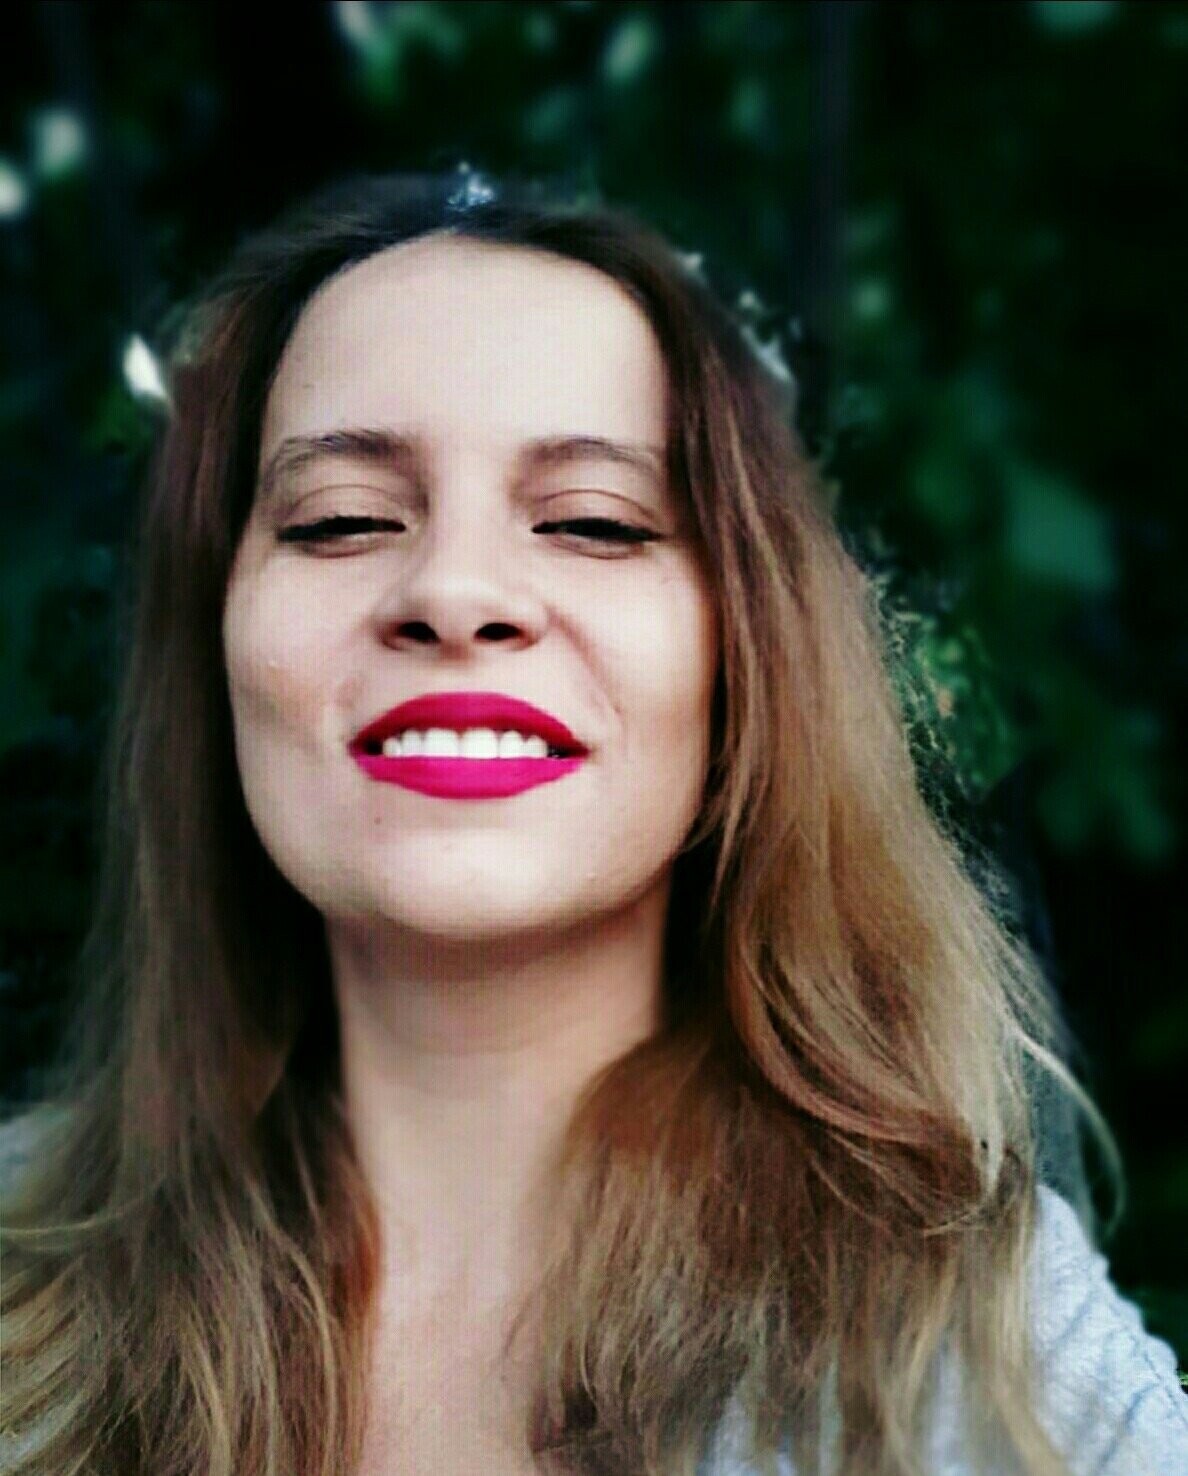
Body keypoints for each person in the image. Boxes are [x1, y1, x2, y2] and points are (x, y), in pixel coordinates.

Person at [1, 167, 1185, 1476]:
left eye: (591, 522)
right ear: (215, 651)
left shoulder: (983, 1346)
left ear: (746, 663)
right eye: (341, 519)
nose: (455, 590)